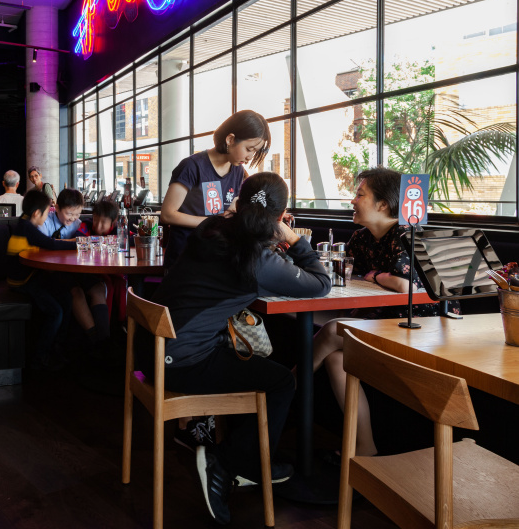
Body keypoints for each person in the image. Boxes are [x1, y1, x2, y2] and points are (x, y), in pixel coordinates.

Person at [146, 172, 331, 524]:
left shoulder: (211, 228)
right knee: (281, 381)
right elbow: (320, 283)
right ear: (281, 216)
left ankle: (252, 460)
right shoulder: (257, 259)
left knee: (257, 365)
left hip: (153, 348)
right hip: (181, 362)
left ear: (239, 201)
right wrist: (292, 237)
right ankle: (226, 462)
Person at [310, 167, 460, 458]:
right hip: (388, 322)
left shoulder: (405, 233)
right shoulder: (361, 238)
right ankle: (365, 447)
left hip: (427, 328)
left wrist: (376, 275)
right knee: (337, 360)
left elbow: (406, 286)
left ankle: (285, 387)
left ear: (382, 204)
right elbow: (343, 275)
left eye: (359, 194)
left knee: (332, 330)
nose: (353, 201)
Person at [160, 110, 271, 268]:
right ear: (230, 139)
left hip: (214, 258)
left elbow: (229, 210)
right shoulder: (192, 166)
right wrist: (214, 221)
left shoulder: (238, 171)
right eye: (249, 149)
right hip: (184, 260)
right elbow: (167, 214)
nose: (250, 157)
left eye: (255, 151)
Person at [6, 190, 76, 370]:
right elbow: (51, 244)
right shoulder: (27, 228)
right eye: (46, 212)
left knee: (66, 298)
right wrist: (77, 244)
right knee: (56, 312)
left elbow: (46, 245)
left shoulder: (24, 222)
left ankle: (58, 348)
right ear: (37, 213)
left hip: (30, 277)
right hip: (22, 282)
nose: (47, 217)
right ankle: (40, 357)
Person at [40, 188, 111, 347]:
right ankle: (97, 342)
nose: (73, 218)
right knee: (76, 292)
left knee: (98, 288)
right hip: (52, 271)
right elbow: (41, 247)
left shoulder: (79, 225)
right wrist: (75, 242)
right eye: (69, 213)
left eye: (77, 214)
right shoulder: (45, 222)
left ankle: (105, 339)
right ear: (57, 208)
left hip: (75, 270)